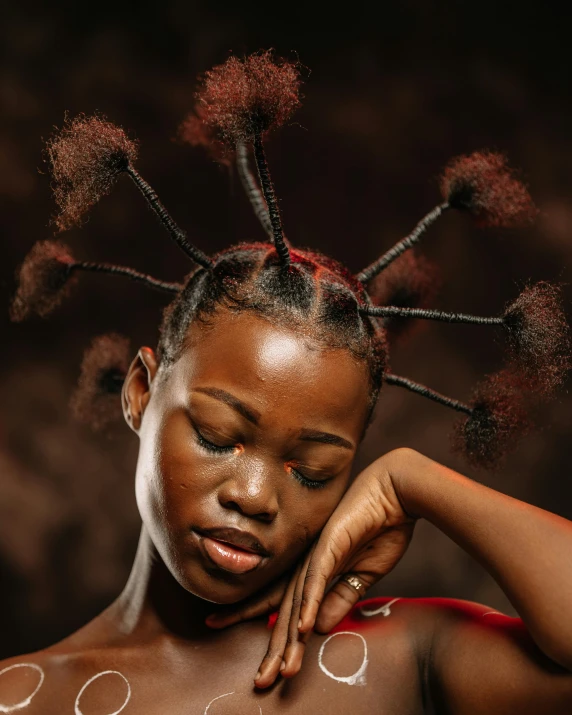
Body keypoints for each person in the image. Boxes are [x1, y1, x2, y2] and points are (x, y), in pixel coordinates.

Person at [1, 51, 571, 714]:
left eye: (313, 471)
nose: (254, 495)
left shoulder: (399, 657)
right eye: (218, 436)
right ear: (139, 391)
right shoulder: (20, 696)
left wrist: (414, 482)